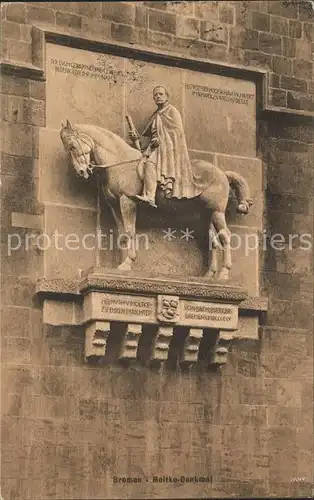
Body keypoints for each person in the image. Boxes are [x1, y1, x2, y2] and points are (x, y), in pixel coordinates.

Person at [129, 85, 201, 208]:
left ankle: (149, 196)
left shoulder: (172, 111)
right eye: (155, 95)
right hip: (156, 147)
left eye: (161, 94)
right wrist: (135, 137)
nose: (158, 96)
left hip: (168, 149)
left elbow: (177, 132)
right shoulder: (156, 115)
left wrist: (161, 139)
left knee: (151, 163)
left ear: (167, 96)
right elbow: (147, 138)